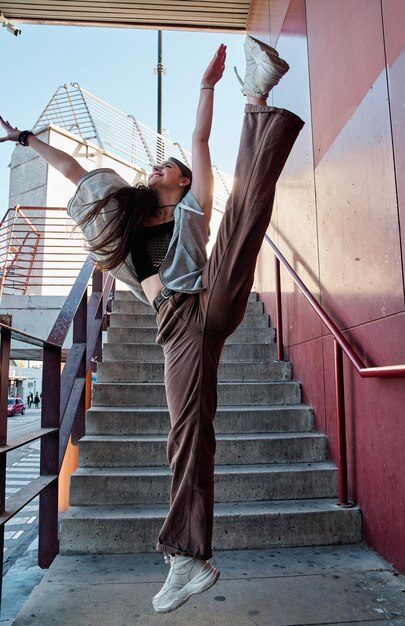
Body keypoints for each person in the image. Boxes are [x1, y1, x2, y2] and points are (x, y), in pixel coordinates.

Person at [0, 36, 304, 614]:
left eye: (167, 167)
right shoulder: (125, 225)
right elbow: (76, 171)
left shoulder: (193, 209)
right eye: (155, 164)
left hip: (208, 297)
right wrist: (24, 138)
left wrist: (208, 86)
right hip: (178, 329)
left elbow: (197, 140)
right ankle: (189, 556)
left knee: (243, 218)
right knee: (190, 430)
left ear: (184, 182)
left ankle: (256, 95)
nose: (157, 166)